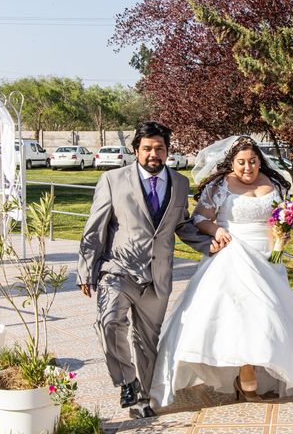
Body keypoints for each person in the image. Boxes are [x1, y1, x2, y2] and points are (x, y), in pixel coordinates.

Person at [150, 136, 293, 408]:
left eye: (252, 161)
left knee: (271, 316)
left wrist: (284, 233)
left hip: (268, 257)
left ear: (259, 160)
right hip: (233, 254)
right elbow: (200, 218)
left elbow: (282, 216)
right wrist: (216, 230)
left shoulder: (273, 183)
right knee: (242, 315)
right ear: (232, 162)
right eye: (241, 162)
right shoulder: (220, 186)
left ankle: (258, 370)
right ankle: (246, 371)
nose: (248, 168)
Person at [77, 121, 221, 419]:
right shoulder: (113, 180)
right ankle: (127, 382)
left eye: (159, 148)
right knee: (110, 323)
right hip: (117, 268)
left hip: (157, 276)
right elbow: (95, 228)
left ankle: (142, 397)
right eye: (147, 149)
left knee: (146, 341)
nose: (153, 154)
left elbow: (180, 224)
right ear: (135, 151)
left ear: (167, 151)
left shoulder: (179, 183)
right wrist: (86, 270)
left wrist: (208, 245)